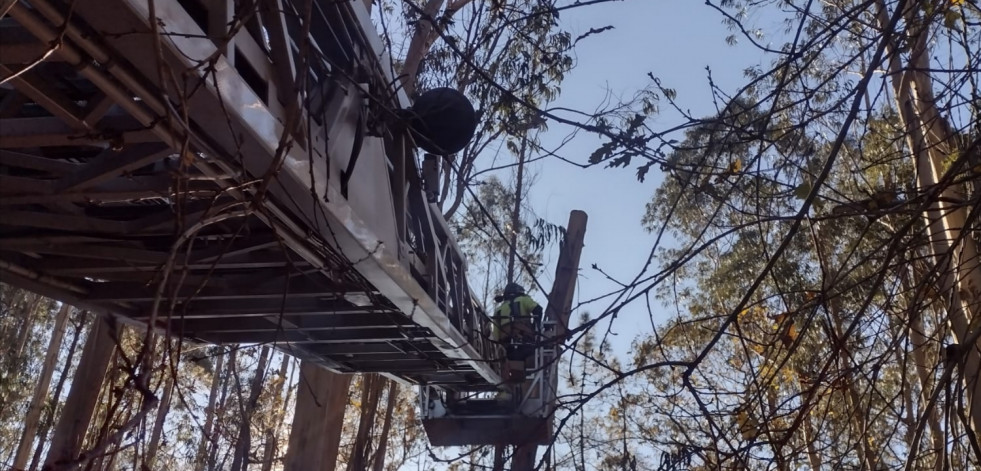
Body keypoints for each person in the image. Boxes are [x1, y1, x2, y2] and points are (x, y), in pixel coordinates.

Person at [491, 283, 543, 383]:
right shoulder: (524, 300)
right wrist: (537, 329)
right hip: (525, 342)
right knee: (533, 361)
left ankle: (510, 386)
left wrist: (498, 348)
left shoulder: (498, 310)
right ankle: (518, 385)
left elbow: (496, 334)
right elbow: (538, 309)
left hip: (507, 346)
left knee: (509, 366)